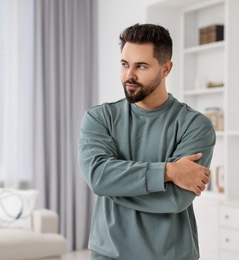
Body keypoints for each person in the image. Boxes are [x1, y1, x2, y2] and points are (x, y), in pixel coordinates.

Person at [78, 23, 216, 260]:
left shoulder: (196, 125)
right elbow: (99, 178)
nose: (129, 75)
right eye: (124, 64)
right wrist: (169, 171)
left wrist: (115, 184)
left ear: (165, 69)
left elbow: (175, 199)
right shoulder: (99, 118)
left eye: (141, 66)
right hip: (108, 255)